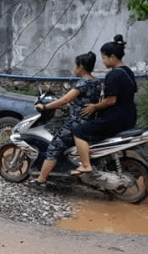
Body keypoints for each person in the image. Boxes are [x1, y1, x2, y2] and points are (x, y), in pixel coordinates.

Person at [27, 52, 101, 189]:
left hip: (77, 123)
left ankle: (41, 180)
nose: (73, 68)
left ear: (81, 67)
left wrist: (45, 106)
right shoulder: (96, 81)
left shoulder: (83, 83)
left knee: (54, 146)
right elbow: (83, 100)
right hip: (90, 121)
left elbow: (64, 100)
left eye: (75, 66)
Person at [72, 35, 138, 175]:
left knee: (79, 132)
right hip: (129, 116)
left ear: (112, 57)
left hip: (115, 118)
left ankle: (85, 165)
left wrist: (94, 107)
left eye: (104, 58)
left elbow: (111, 100)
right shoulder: (128, 71)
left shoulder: (113, 75)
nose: (103, 61)